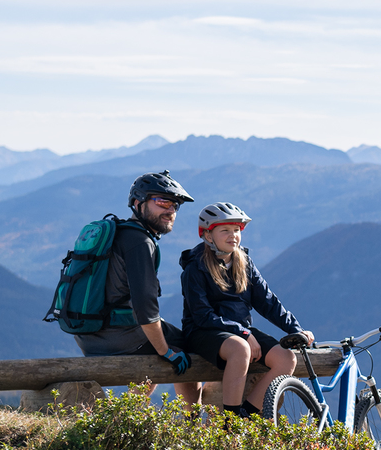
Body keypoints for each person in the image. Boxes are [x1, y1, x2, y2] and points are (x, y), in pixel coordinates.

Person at [180, 200, 315, 417]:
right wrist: (243, 333)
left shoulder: (244, 263)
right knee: (240, 349)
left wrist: (296, 330)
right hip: (202, 331)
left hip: (239, 332)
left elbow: (268, 302)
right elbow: (202, 315)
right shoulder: (194, 268)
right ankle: (231, 421)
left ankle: (246, 415)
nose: (233, 235)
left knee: (286, 359)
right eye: (225, 230)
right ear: (208, 235)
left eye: (236, 230)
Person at [76, 171, 199, 403]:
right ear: (137, 203)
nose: (171, 210)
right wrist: (166, 352)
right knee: (190, 346)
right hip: (117, 337)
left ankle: (129, 411)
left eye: (175, 205)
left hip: (87, 334)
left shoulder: (119, 233)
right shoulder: (141, 242)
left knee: (157, 337)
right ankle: (191, 420)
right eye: (162, 202)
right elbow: (146, 309)